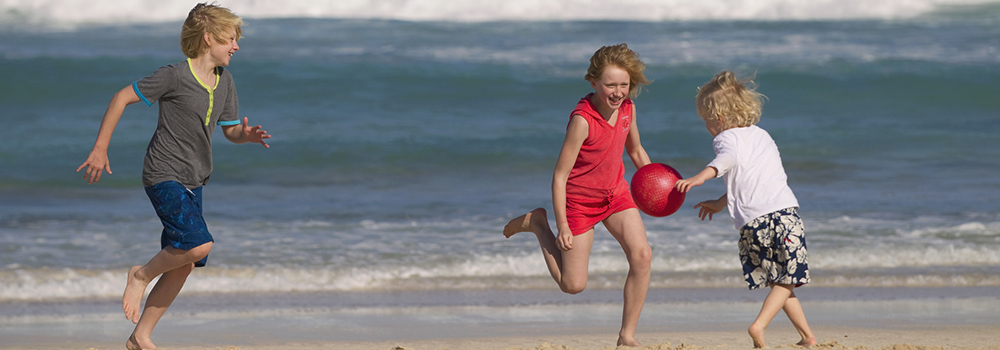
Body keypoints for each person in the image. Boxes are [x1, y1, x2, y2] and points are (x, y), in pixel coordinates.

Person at [75, 3, 270, 349]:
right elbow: (121, 97)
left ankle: (140, 336)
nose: (236, 46)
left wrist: (247, 136)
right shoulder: (174, 76)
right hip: (163, 173)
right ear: (208, 39)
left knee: (185, 260)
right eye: (230, 39)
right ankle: (140, 275)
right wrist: (100, 148)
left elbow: (229, 131)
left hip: (195, 180)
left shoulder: (225, 82)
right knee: (199, 243)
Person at [503, 43, 653, 347]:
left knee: (642, 256)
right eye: (610, 85)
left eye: (624, 85)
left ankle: (627, 335)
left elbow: (635, 151)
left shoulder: (628, 109)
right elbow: (559, 177)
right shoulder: (582, 121)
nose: (618, 92)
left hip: (616, 196)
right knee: (573, 285)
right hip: (579, 204)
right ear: (593, 82)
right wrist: (563, 226)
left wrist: (655, 184)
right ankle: (538, 224)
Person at [674, 71, 816, 348]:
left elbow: (727, 161)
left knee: (782, 281)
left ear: (720, 119)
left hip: (755, 223)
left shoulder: (725, 139)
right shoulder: (763, 136)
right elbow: (749, 177)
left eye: (706, 121)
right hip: (784, 216)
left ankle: (806, 337)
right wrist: (719, 201)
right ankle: (760, 325)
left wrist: (700, 177)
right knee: (787, 280)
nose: (707, 127)